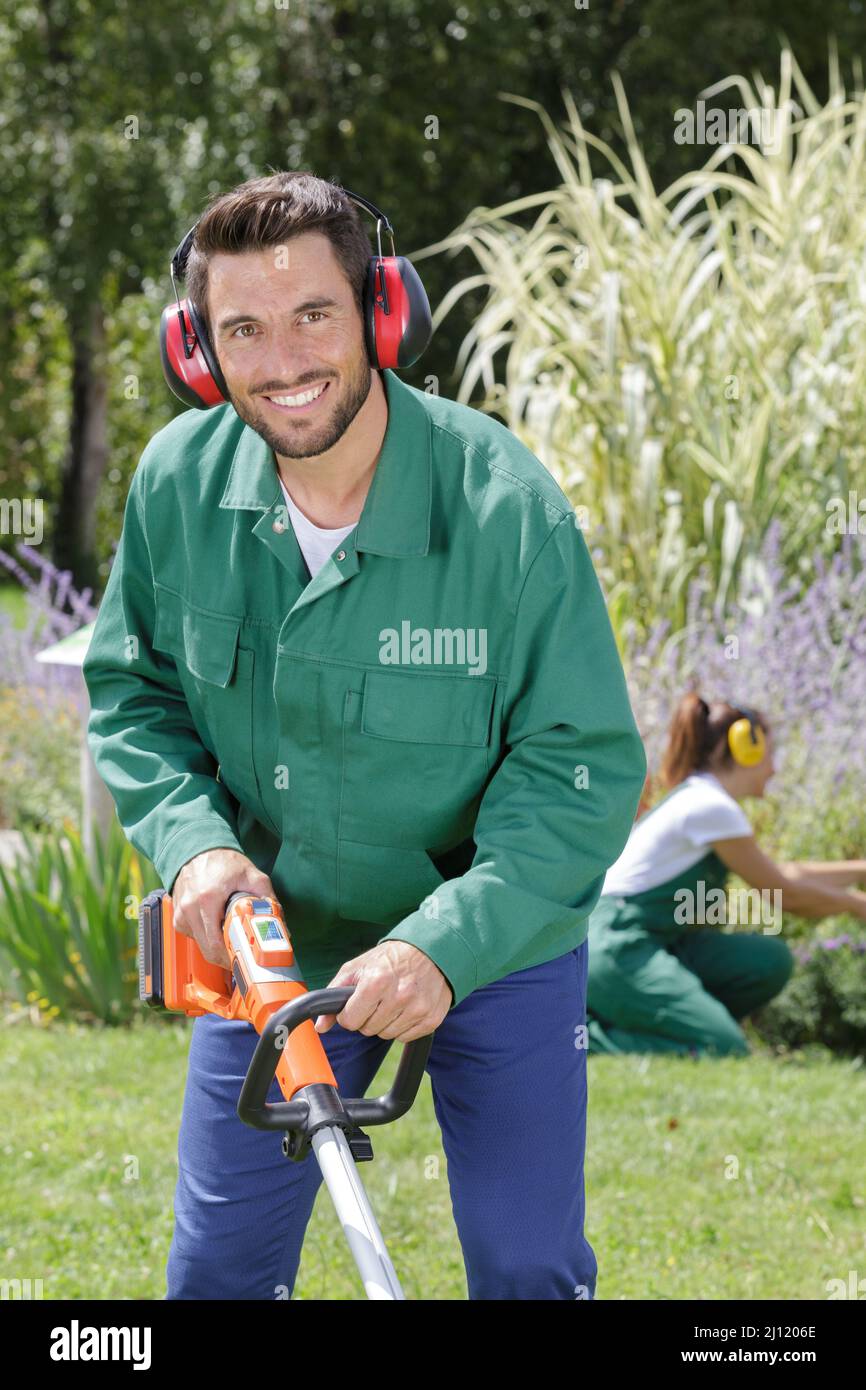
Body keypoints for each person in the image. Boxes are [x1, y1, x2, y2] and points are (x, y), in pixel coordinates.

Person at [81, 170, 648, 1300]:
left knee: (523, 1263)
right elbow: (132, 690)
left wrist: (442, 944)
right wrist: (195, 845)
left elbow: (576, 767)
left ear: (382, 313)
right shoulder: (175, 487)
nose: (283, 359)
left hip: (495, 940)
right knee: (214, 1277)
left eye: (313, 316)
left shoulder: (505, 510)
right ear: (198, 348)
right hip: (277, 949)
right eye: (243, 327)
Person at [586, 692, 866, 1057]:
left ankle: (672, 1020)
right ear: (746, 749)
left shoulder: (703, 800)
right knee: (725, 1046)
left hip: (656, 942)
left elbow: (784, 874)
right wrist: (855, 904)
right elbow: (786, 894)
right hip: (617, 947)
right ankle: (584, 1039)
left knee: (769, 960)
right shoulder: (710, 806)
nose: (775, 769)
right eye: (771, 756)